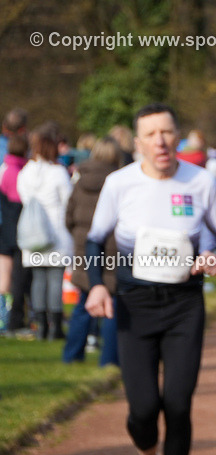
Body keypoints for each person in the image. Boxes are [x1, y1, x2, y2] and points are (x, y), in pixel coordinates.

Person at [84, 103, 216, 455]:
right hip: (134, 305)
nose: (161, 141)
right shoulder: (119, 184)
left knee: (179, 403)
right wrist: (96, 286)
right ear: (138, 144)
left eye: (167, 132)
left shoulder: (201, 181)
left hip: (185, 305)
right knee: (142, 410)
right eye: (151, 135)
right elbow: (95, 241)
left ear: (178, 137)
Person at [63, 137, 123, 365]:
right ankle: (109, 360)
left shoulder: (79, 180)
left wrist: (78, 237)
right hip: (111, 247)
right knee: (112, 306)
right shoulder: (118, 181)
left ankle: (72, 356)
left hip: (83, 246)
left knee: (83, 304)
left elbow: (69, 215)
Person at [17, 123, 73, 340]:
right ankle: (56, 327)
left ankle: (41, 326)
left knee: (38, 280)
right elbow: (67, 201)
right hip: (56, 232)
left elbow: (23, 198)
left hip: (32, 231)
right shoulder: (58, 172)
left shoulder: (25, 172)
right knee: (55, 281)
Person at [0, 108, 28, 331]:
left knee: (4, 272)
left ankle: (4, 316)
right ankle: (9, 317)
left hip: (5, 220)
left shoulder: (6, 166)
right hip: (14, 223)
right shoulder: (22, 168)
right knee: (15, 274)